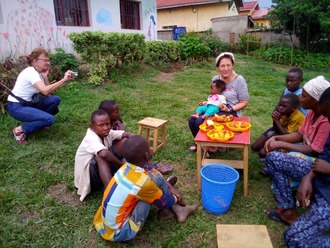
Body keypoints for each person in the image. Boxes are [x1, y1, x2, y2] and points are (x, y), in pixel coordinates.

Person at [93, 135, 198, 242]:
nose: (151, 148)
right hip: (121, 232)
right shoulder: (143, 183)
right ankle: (178, 209)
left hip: (105, 223)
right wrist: (177, 197)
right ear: (147, 155)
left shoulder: (125, 166)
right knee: (152, 191)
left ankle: (167, 210)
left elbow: (149, 167)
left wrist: (169, 186)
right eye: (149, 147)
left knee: (154, 178)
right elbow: (165, 202)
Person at [263, 87, 330, 247]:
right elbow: (323, 159)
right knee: (273, 158)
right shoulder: (319, 118)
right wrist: (308, 178)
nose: (300, 98)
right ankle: (288, 211)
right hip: (320, 178)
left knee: (294, 238)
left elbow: (319, 156)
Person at [7, 47, 75, 144]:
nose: (47, 63)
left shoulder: (38, 74)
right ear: (35, 61)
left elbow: (49, 94)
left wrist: (45, 77)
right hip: (16, 107)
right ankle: (19, 130)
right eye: (45, 60)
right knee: (50, 119)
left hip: (28, 103)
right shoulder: (30, 72)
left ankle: (41, 122)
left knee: (55, 99)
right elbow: (45, 91)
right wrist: (63, 80)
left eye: (48, 61)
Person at [188, 52, 249, 152]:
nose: (225, 68)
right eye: (222, 66)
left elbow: (244, 102)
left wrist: (229, 109)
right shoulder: (215, 79)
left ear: (233, 65)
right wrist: (205, 103)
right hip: (215, 107)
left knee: (200, 121)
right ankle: (201, 144)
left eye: (228, 65)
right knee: (192, 120)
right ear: (218, 67)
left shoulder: (239, 80)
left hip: (231, 112)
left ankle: (208, 146)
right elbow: (214, 96)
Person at [263, 76, 330, 162]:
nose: (299, 97)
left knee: (281, 155)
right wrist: (276, 138)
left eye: (304, 96)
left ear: (316, 101)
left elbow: (314, 151)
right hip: (304, 147)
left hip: (317, 159)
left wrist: (281, 144)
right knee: (274, 150)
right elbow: (299, 134)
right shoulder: (311, 113)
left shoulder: (326, 121)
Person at [98, 100, 173, 175]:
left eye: (119, 111)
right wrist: (122, 131)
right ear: (107, 114)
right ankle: (151, 170)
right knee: (127, 144)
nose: (119, 113)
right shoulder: (104, 127)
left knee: (134, 146)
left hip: (120, 152)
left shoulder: (117, 121)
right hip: (109, 157)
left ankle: (151, 167)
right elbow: (110, 146)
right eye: (116, 112)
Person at [74, 109, 135, 202]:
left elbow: (124, 134)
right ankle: (110, 191)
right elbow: (104, 154)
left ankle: (139, 168)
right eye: (101, 125)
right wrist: (121, 165)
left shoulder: (107, 132)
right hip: (89, 179)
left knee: (124, 141)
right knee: (101, 156)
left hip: (100, 170)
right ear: (92, 127)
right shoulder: (90, 138)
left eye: (108, 123)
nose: (106, 127)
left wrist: (138, 139)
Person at [252, 94, 305, 161]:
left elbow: (287, 136)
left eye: (284, 106)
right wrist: (275, 120)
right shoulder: (285, 112)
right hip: (279, 130)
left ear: (293, 108)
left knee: (262, 153)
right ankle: (268, 145)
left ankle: (270, 151)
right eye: (280, 105)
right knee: (254, 147)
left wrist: (276, 121)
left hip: (289, 138)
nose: (280, 108)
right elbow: (276, 128)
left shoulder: (297, 118)